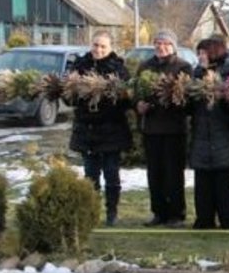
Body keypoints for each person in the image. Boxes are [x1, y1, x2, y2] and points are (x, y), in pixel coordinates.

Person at [68, 30, 132, 226]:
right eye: (95, 45)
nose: (98, 49)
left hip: (111, 129)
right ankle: (92, 211)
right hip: (87, 130)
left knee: (112, 174)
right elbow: (69, 98)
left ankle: (112, 212)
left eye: (103, 46)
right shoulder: (80, 66)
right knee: (90, 175)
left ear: (110, 48)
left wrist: (113, 94)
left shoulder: (118, 69)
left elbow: (126, 101)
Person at [135, 29, 193, 227]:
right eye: (158, 43)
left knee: (173, 174)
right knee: (155, 173)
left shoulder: (183, 68)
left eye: (165, 43)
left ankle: (176, 213)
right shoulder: (145, 67)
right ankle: (158, 212)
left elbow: (186, 101)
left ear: (173, 46)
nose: (161, 47)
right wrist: (139, 105)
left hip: (174, 129)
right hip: (151, 128)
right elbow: (136, 92)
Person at [188, 36, 229, 230]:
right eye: (199, 53)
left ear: (213, 53)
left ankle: (228, 221)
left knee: (224, 183)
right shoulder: (196, 74)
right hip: (201, 135)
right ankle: (204, 219)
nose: (200, 56)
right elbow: (190, 105)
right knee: (202, 184)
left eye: (203, 53)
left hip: (223, 136)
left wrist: (224, 96)